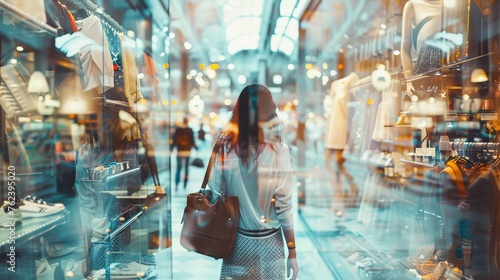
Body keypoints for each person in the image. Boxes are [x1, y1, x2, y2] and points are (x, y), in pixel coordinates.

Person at [207, 84, 299, 280]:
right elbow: (284, 207)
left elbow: (214, 191)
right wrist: (292, 251)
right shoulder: (278, 150)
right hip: (270, 245)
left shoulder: (225, 147)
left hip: (236, 242)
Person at [171, 117, 197, 191]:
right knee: (186, 168)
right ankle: (185, 184)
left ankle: (177, 184)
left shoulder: (178, 129)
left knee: (178, 168)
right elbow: (192, 141)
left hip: (179, 151)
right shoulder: (190, 130)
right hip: (187, 151)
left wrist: (172, 148)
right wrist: (196, 148)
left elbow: (174, 139)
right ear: (187, 122)